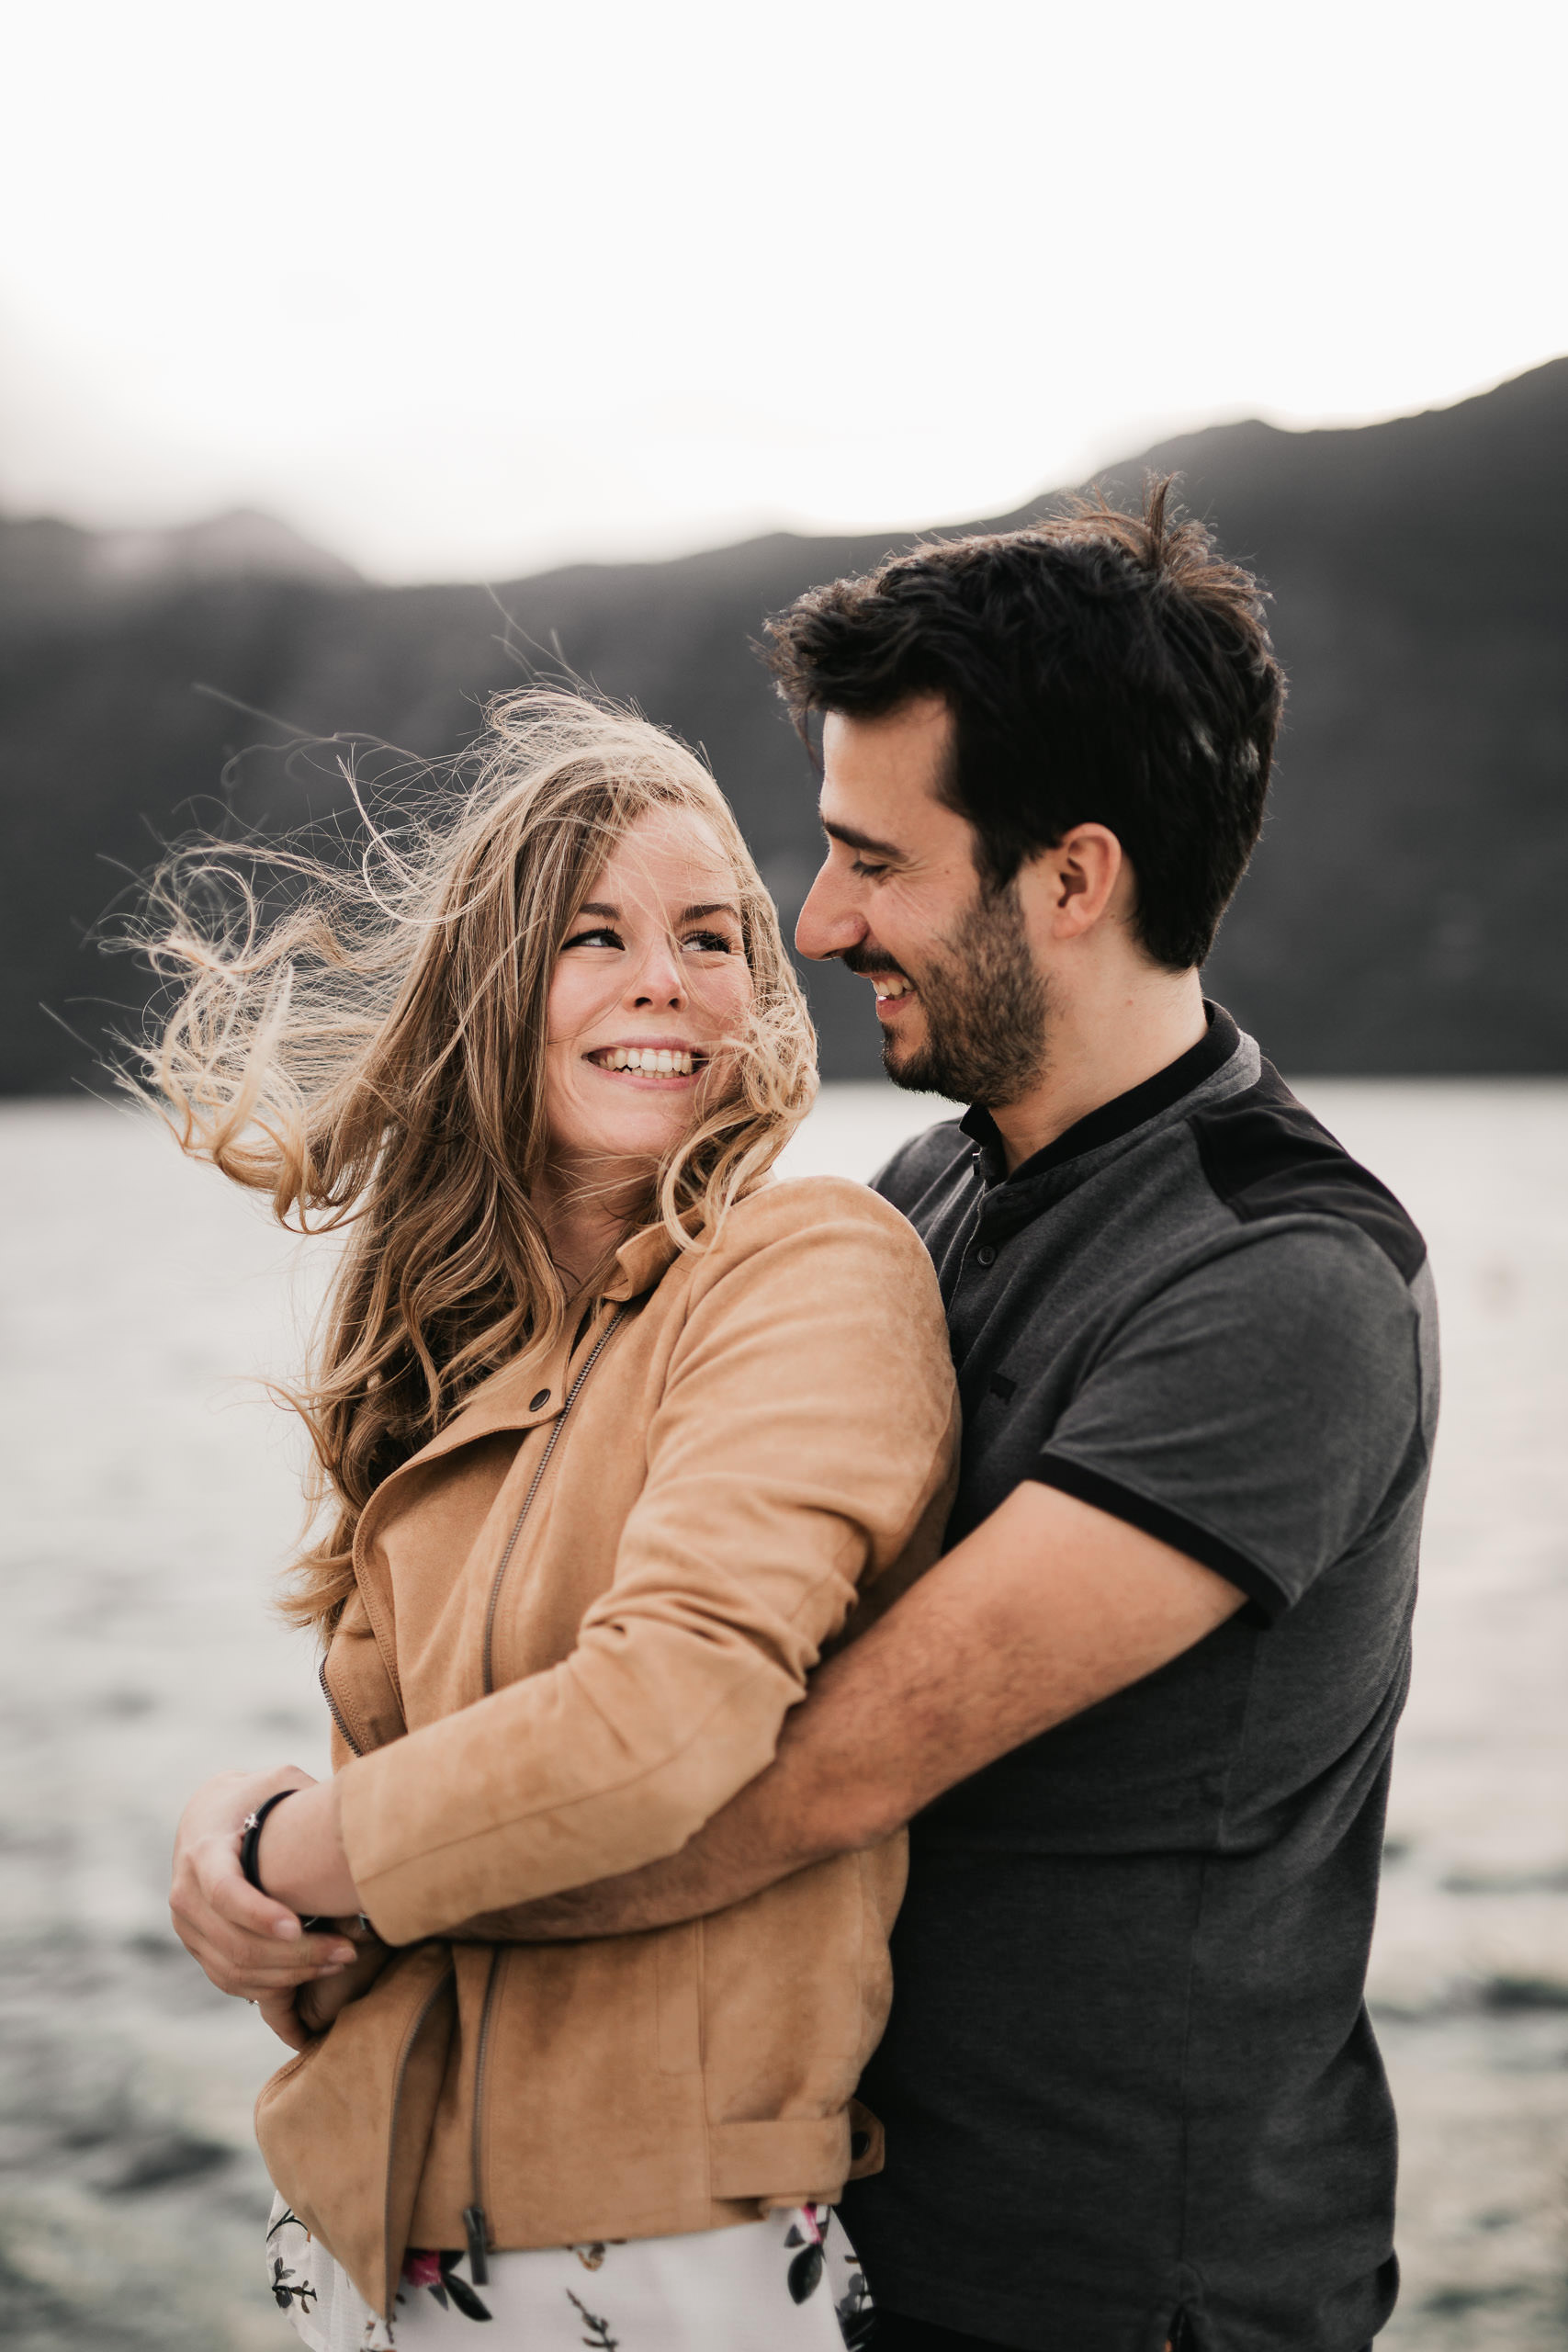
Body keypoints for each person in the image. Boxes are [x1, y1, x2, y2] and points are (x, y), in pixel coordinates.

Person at [468, 491, 1438, 2352]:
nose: (815, 920)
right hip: (841, 2242)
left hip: (1115, 2291)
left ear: (1070, 877)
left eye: (870, 858)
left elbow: (814, 1768)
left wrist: (358, 1888)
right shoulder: (923, 1187)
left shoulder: (1280, 1286)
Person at [161, 692, 958, 2350]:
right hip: (368, 2229)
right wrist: (253, 1867)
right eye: (594, 935)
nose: (663, 977)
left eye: (712, 936)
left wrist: (274, 1856)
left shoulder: (808, 1266)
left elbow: (662, 1728)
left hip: (663, 2247)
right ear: (496, 993)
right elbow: (413, 1834)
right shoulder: (449, 1368)